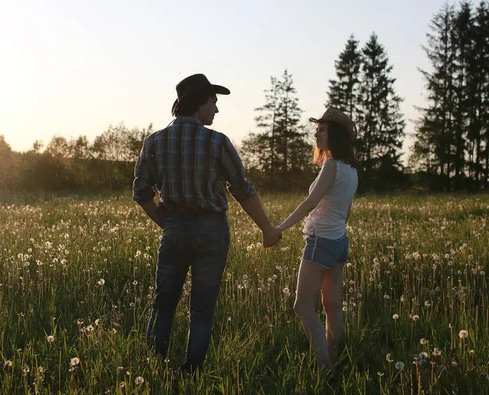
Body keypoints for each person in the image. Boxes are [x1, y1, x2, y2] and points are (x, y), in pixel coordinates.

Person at [132, 73, 281, 374]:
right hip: (212, 231)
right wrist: (266, 228)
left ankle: (153, 370)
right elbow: (242, 189)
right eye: (213, 101)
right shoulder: (217, 142)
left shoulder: (154, 142)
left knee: (163, 304)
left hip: (173, 228)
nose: (216, 109)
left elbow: (141, 193)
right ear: (199, 103)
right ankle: (191, 373)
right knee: (201, 309)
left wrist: (168, 223)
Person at [277, 108, 358, 371]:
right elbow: (345, 211)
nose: (316, 133)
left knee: (302, 306)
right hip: (338, 242)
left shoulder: (331, 165)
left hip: (321, 241)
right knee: (332, 305)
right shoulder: (351, 170)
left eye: (322, 129)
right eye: (317, 129)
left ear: (334, 135)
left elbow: (310, 203)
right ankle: (335, 358)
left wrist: (280, 227)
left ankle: (324, 367)